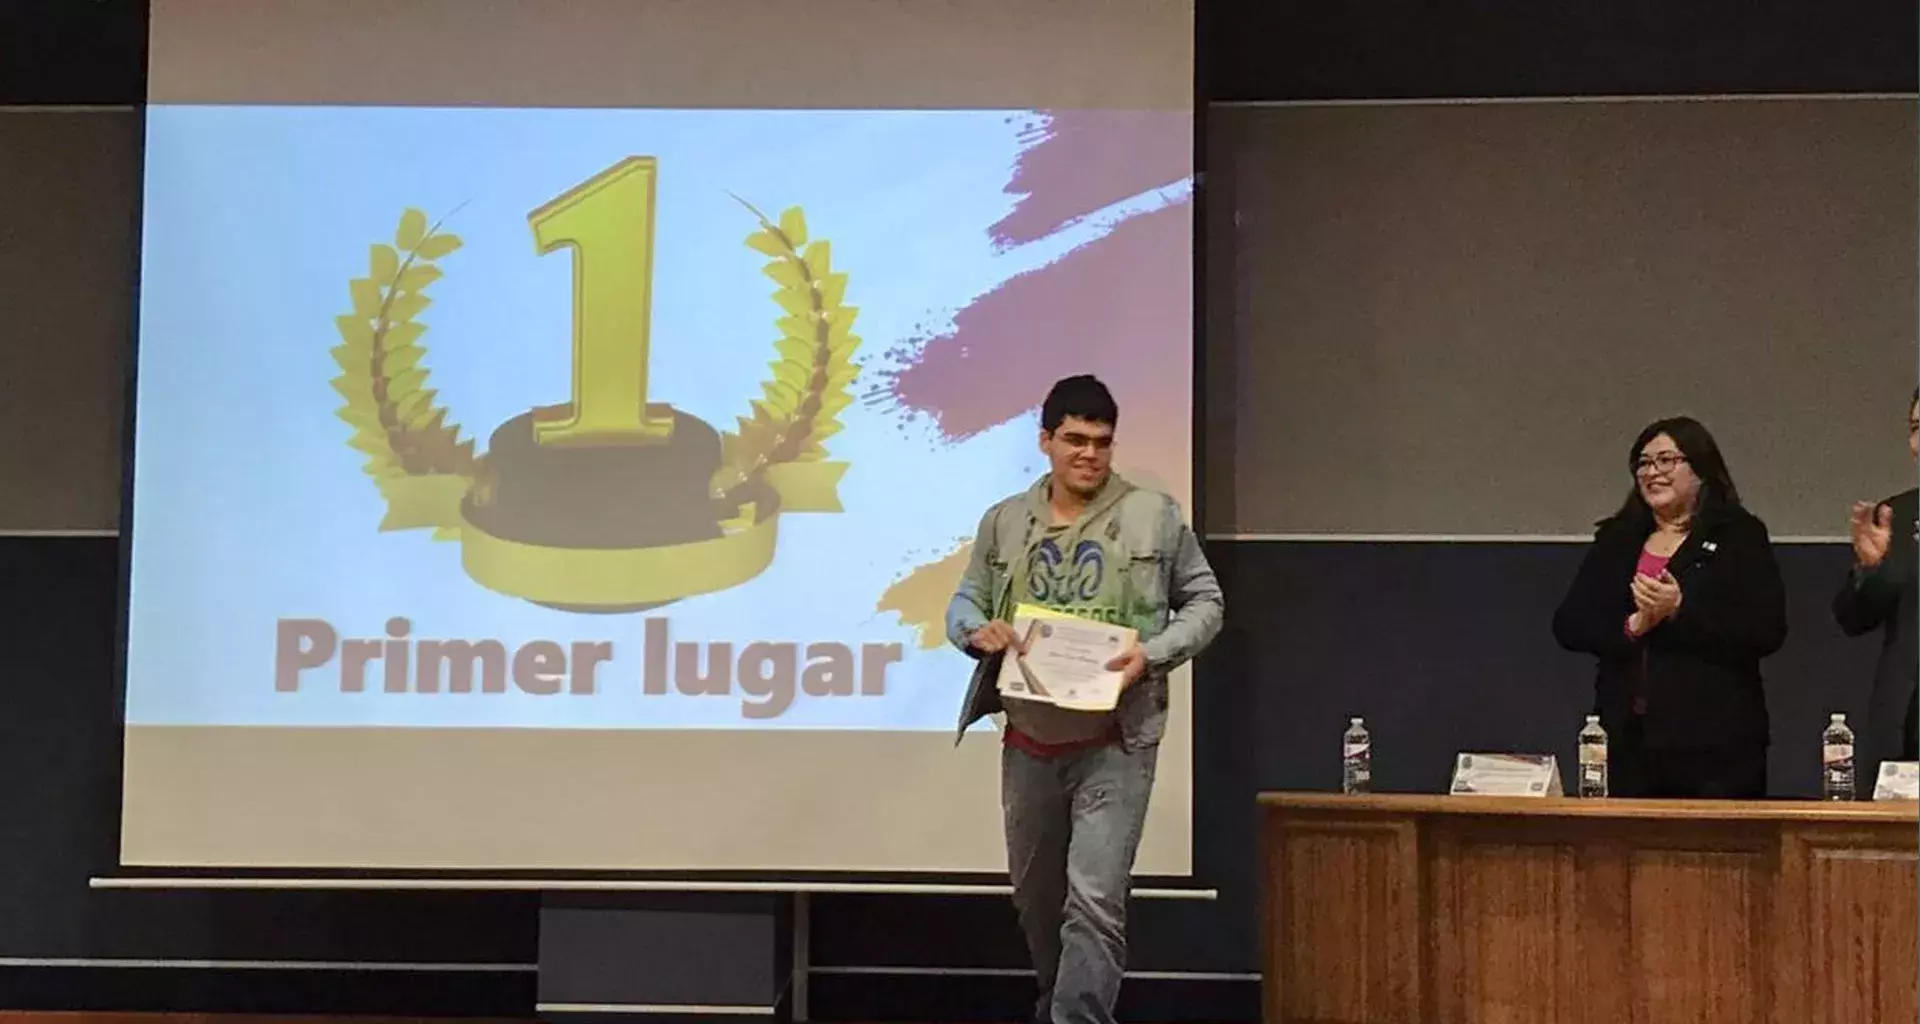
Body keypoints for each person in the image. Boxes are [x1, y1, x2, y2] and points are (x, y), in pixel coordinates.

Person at [945, 374, 1223, 1024]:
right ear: (1045, 441)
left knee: (1095, 900)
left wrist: (1149, 656)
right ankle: (1055, 1006)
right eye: (1074, 439)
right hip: (1029, 742)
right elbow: (966, 601)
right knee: (1037, 900)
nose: (1089, 454)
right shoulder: (1005, 521)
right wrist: (974, 630)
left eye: (1101, 442)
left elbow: (1207, 602)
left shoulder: (1154, 514)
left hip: (1116, 744)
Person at [1552, 416, 1786, 798]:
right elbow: (1570, 624)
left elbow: (1766, 629)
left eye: (1666, 460)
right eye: (1643, 463)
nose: (1652, 472)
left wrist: (1680, 610)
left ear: (1701, 468)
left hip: (1716, 740)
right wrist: (1633, 626)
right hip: (1627, 735)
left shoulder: (1738, 535)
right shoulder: (1618, 538)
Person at [1834, 387, 1919, 781]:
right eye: (1916, 428)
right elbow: (1854, 619)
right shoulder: (1898, 516)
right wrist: (1869, 569)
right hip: (1907, 721)